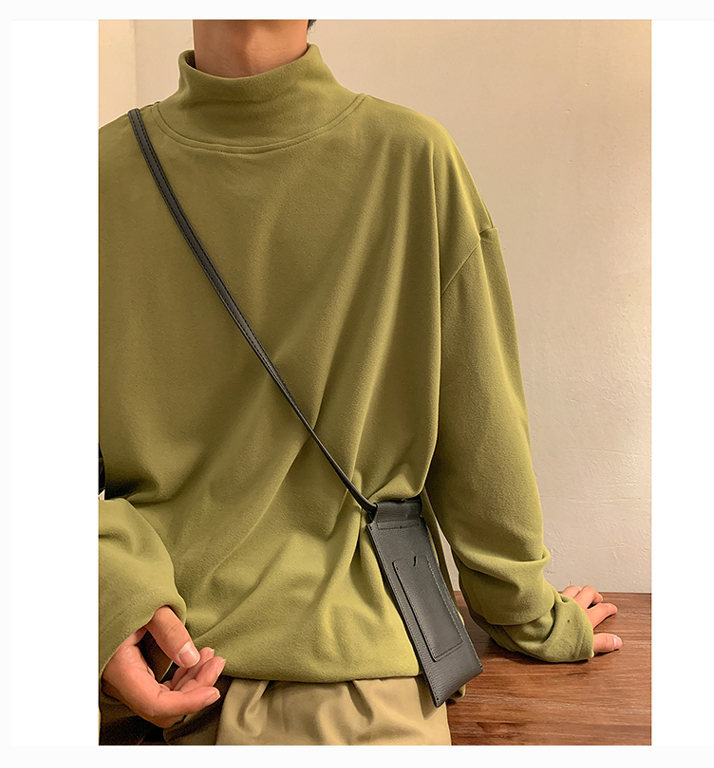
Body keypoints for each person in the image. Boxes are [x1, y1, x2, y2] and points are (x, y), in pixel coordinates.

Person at [98, 19, 621, 746]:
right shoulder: (410, 159)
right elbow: (482, 434)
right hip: (330, 680)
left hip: (152, 658)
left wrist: (103, 591)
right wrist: (529, 617)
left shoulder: (97, 174)